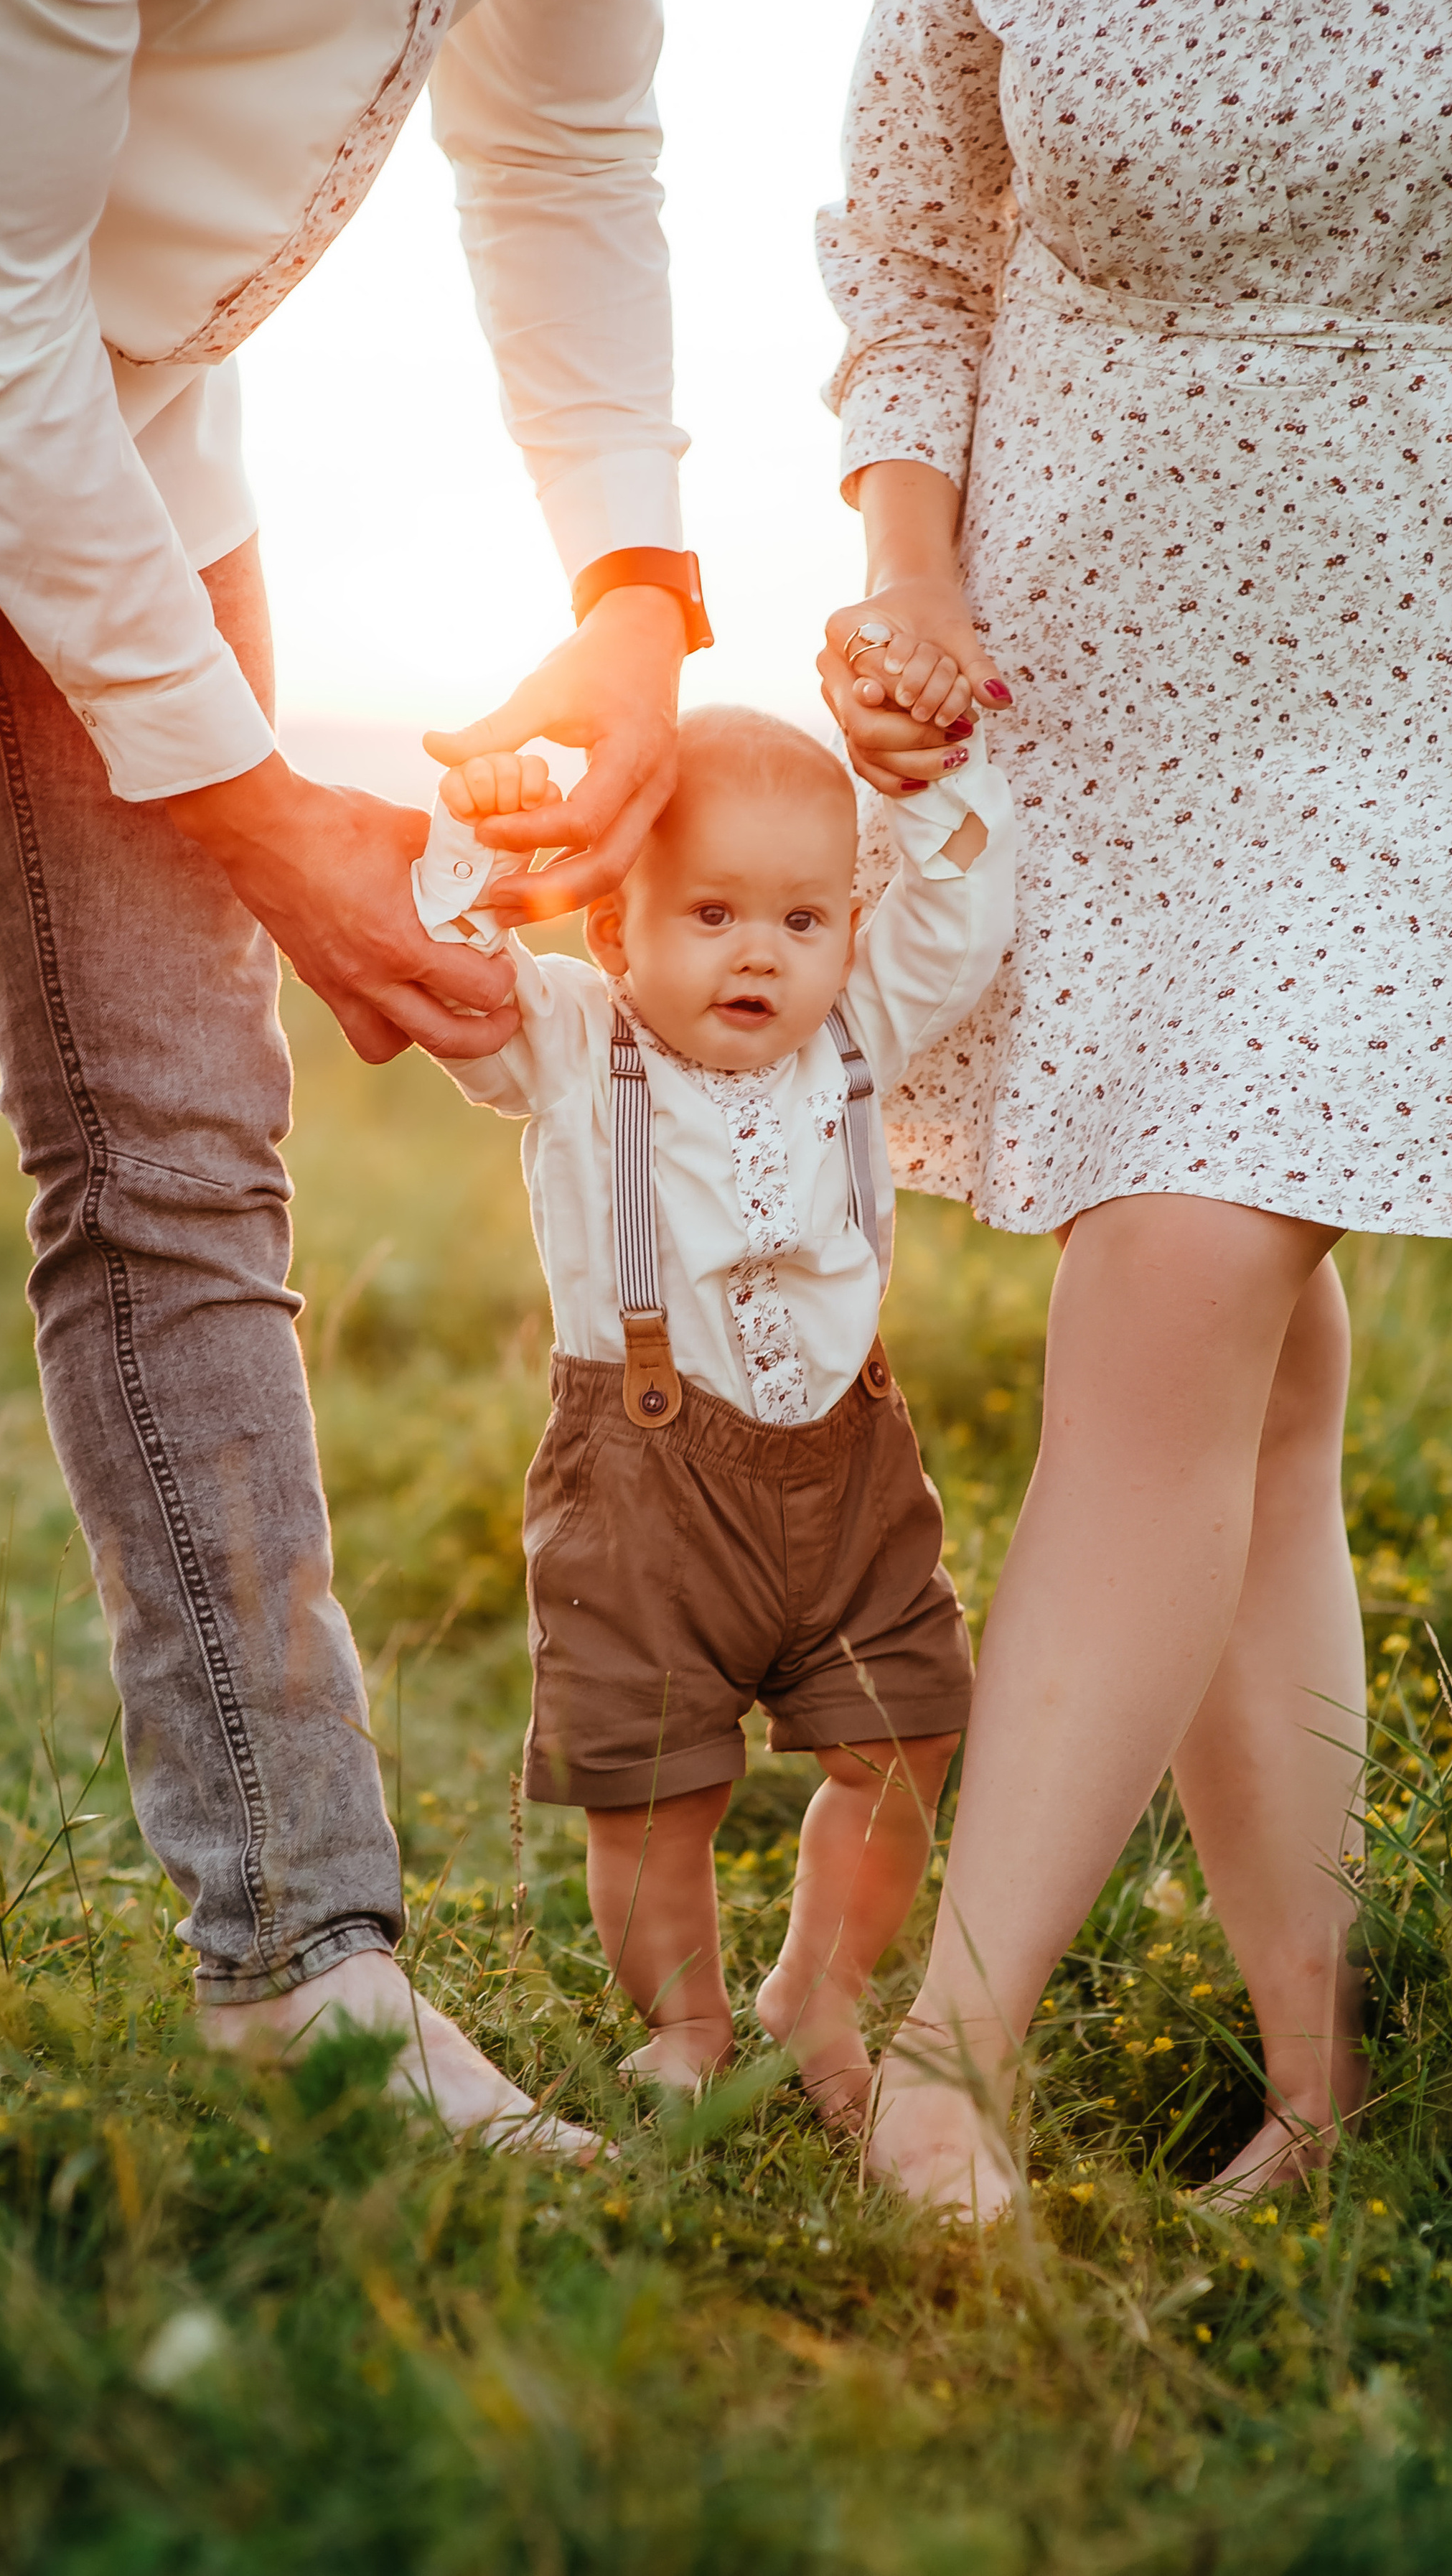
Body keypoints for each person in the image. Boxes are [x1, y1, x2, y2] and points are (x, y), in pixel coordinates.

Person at [0, 0, 708, 2133]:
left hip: (123, 361)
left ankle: (303, 1957)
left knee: (181, 1128)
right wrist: (266, 817)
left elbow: (564, 126)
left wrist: (643, 577)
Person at [812, 0, 1452, 2212]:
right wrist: (905, 585)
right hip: (1102, 659)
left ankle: (950, 2051)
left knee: (1184, 1261)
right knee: (1258, 1381)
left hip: (1440, 641)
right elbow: (914, 249)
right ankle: (1327, 2080)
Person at [411, 706, 1015, 2121]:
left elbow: (962, 914)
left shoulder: (852, 1028)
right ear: (616, 935)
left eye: (803, 917)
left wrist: (926, 782)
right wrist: (475, 832)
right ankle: (678, 2021)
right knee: (648, 1792)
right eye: (711, 913)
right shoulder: (570, 1038)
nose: (760, 951)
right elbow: (455, 970)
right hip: (641, 1493)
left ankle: (819, 1986)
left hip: (852, 1471)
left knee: (906, 1735)